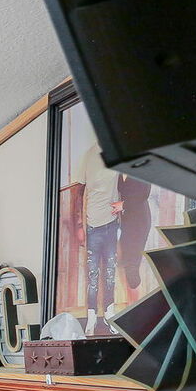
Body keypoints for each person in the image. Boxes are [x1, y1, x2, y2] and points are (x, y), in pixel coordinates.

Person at [79, 143, 122, 335]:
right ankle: (91, 318)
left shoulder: (118, 153)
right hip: (92, 227)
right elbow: (79, 192)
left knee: (110, 273)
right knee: (93, 276)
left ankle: (109, 315)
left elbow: (129, 189)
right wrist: (80, 226)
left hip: (112, 224)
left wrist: (124, 205)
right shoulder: (89, 154)